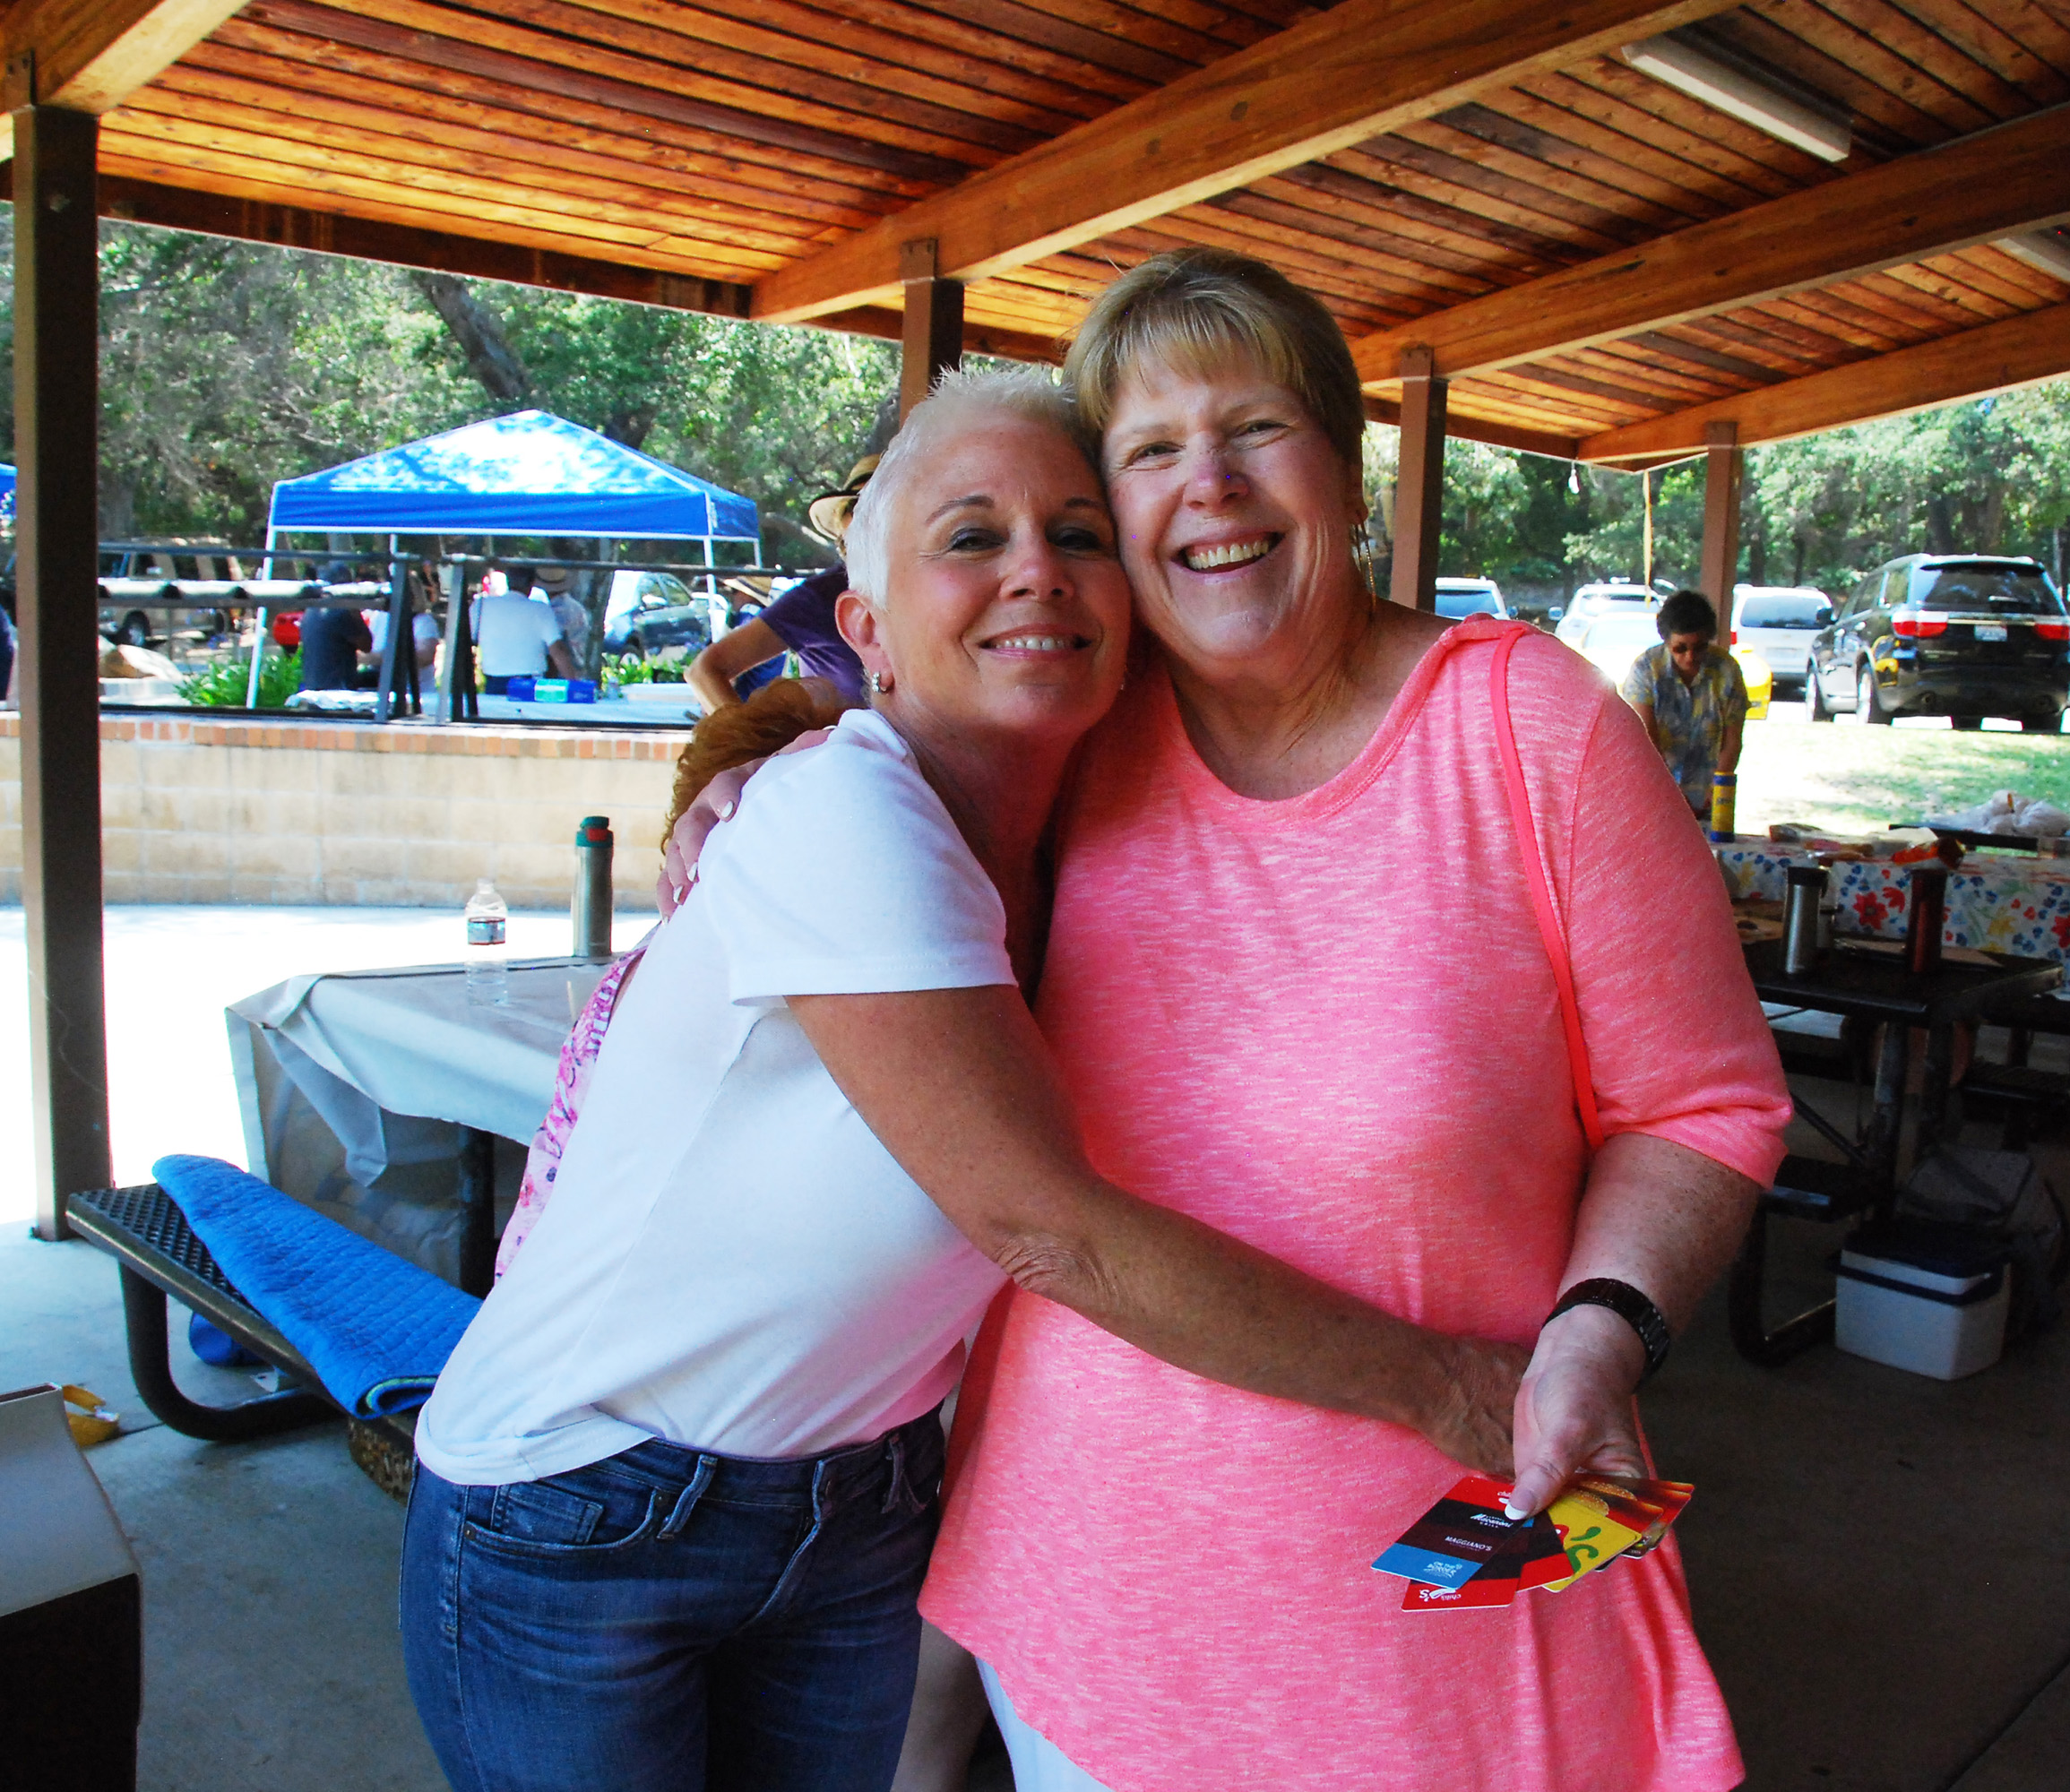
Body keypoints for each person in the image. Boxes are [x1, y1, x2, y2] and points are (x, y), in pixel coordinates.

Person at [676, 251, 1791, 1792]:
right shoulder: (1079, 722)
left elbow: (1699, 1106)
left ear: (1343, 470)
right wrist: (756, 757)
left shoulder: (1533, 731)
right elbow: (877, 650)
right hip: (1088, 1606)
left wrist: (1606, 1328)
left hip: (1437, 1609)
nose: (1210, 485)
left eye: (1256, 428)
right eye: (1148, 451)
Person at [404, 369, 1528, 1792]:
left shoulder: (1090, 829)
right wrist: (1449, 1389)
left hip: (859, 1500)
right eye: (971, 538)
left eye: (1078, 535)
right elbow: (1043, 1225)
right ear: (865, 629)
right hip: (588, 1503)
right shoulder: (839, 812)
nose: (1035, 576)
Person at [686, 457, 875, 711]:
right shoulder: (821, 597)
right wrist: (750, 746)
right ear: (844, 523)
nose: (872, 521)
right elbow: (705, 670)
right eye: (859, 508)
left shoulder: (924, 594)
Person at [1619, 587, 1747, 819]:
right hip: (1654, 790)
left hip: (1709, 794)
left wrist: (1718, 787)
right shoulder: (1646, 669)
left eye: (1699, 647)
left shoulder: (1727, 670)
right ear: (1666, 641)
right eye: (1680, 648)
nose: (1690, 657)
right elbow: (1646, 740)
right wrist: (1669, 792)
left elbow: (1732, 741)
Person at [473, 570, 575, 692]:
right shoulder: (541, 610)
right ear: (532, 584)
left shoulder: (481, 605)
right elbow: (557, 650)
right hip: (531, 682)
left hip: (493, 681)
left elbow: (465, 641)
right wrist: (574, 685)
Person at [298, 561, 373, 690]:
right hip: (336, 691)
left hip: (314, 686)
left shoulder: (311, 610)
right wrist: (354, 608)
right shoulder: (339, 611)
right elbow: (366, 644)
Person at [532, 564, 592, 674]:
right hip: (578, 664)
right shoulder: (577, 607)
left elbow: (554, 648)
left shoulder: (552, 612)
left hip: (561, 670)